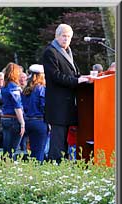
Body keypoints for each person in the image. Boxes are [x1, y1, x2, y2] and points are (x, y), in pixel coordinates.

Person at [42, 23, 92, 163]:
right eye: (63, 36)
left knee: (64, 143)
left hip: (68, 106)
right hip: (58, 106)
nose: (66, 39)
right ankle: (53, 168)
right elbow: (55, 76)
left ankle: (61, 167)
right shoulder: (50, 52)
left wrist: (85, 79)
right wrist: (77, 81)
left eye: (69, 37)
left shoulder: (68, 52)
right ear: (56, 36)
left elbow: (74, 74)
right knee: (57, 143)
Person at [22, 64, 48, 162]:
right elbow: (44, 106)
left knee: (32, 150)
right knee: (39, 152)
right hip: (39, 122)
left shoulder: (26, 90)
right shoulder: (41, 89)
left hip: (27, 121)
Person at [0, 62, 25, 158]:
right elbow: (17, 105)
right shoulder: (14, 87)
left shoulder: (5, 86)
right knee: (12, 149)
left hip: (5, 117)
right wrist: (22, 123)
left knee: (6, 148)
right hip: (13, 119)